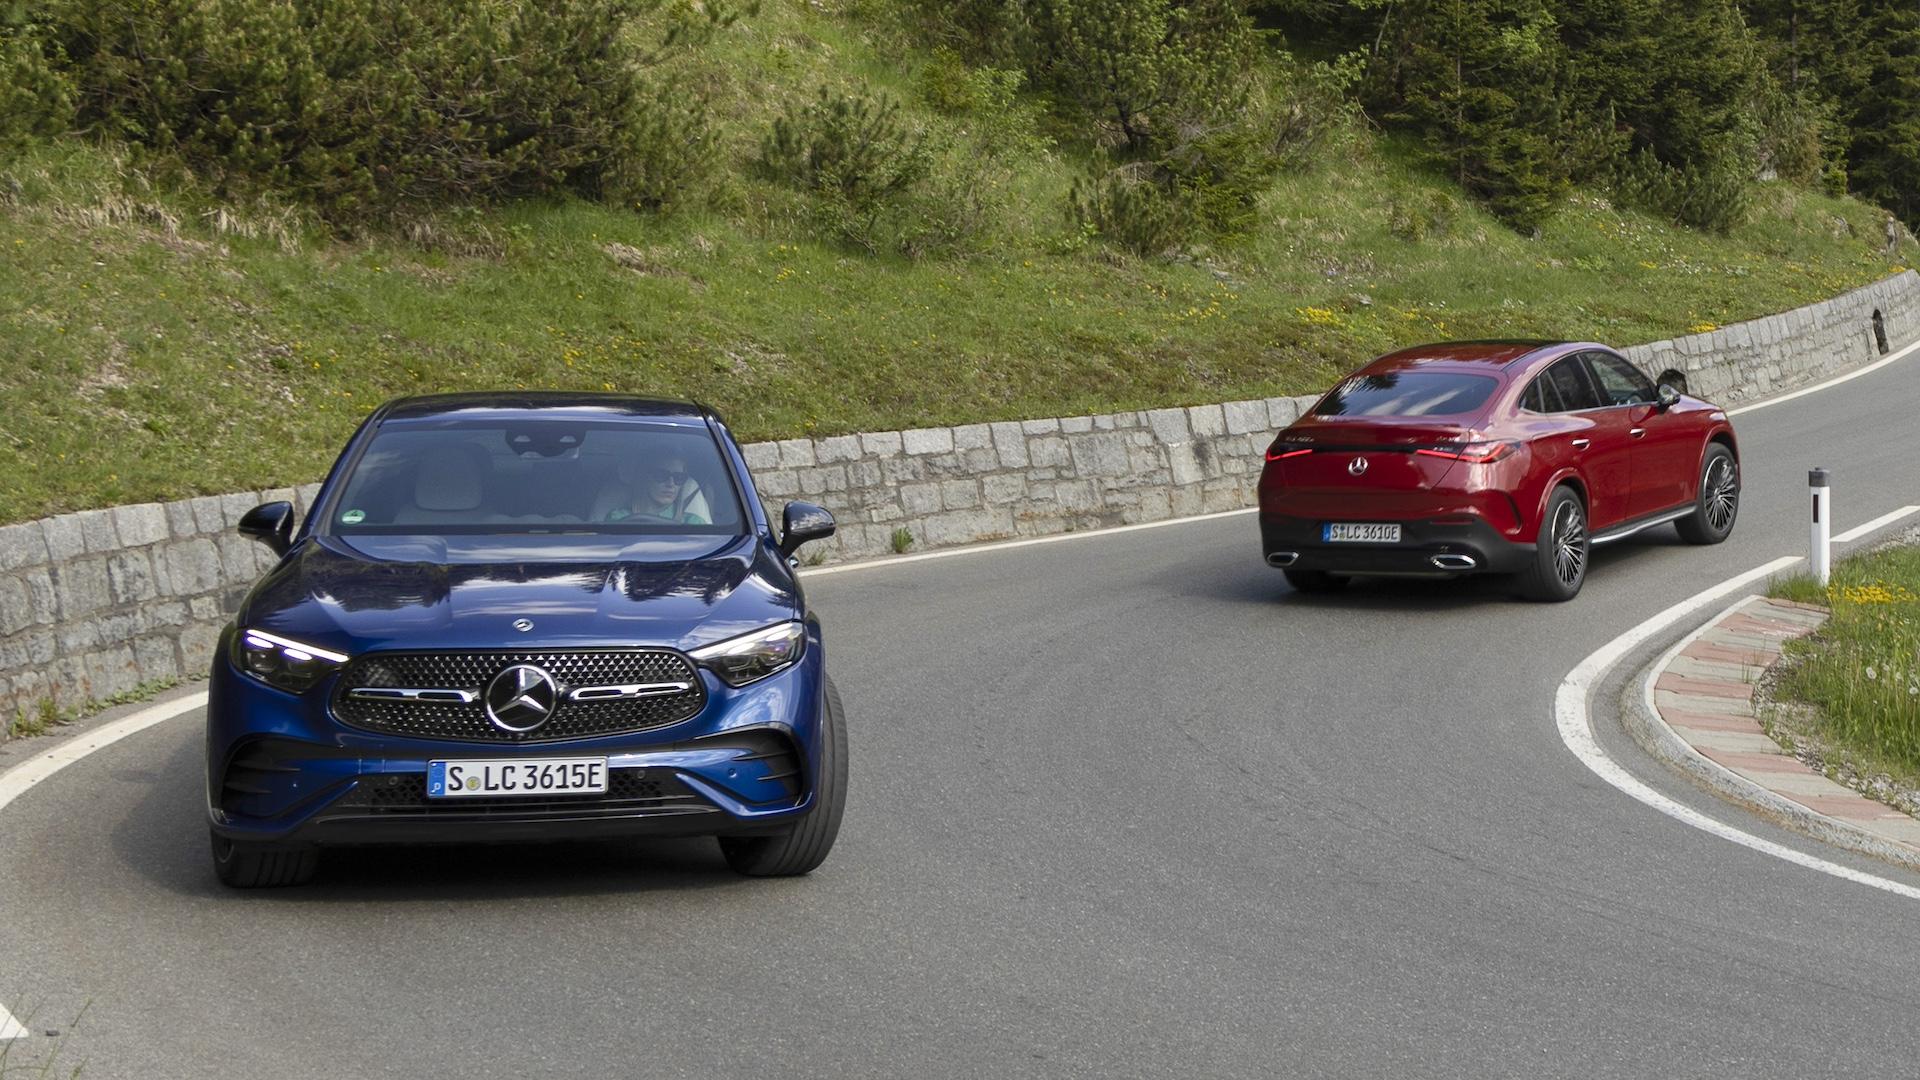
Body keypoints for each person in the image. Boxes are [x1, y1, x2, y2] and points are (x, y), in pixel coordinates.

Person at [602, 454, 707, 524]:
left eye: (679, 478)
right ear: (644, 477)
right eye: (661, 475)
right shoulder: (618, 518)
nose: (671, 484)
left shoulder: (693, 523)